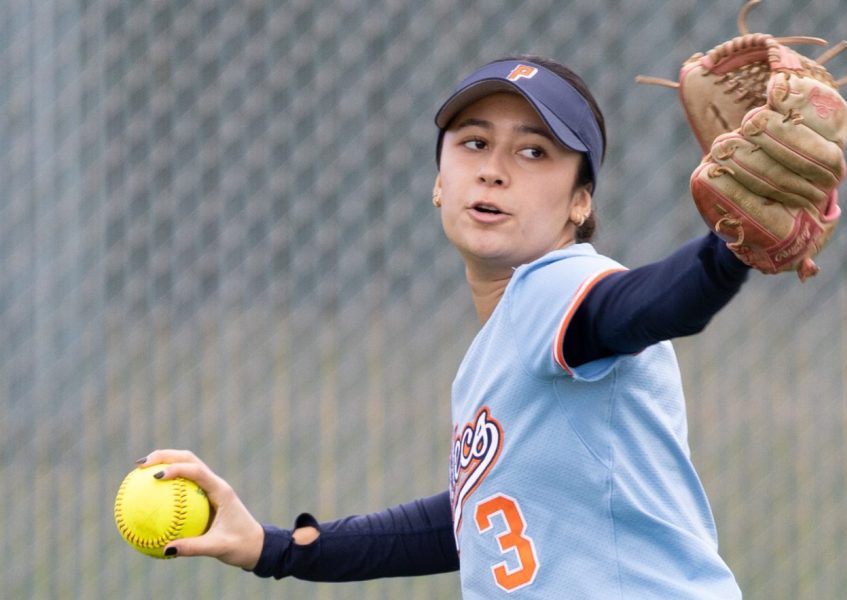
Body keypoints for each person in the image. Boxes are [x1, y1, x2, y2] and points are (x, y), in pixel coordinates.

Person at [139, 54, 754, 598]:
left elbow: (641, 306)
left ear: (580, 202)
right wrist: (277, 548)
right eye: (473, 142)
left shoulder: (555, 286)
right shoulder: (498, 350)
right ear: (439, 181)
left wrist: (728, 248)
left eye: (534, 151)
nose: (493, 170)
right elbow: (473, 518)